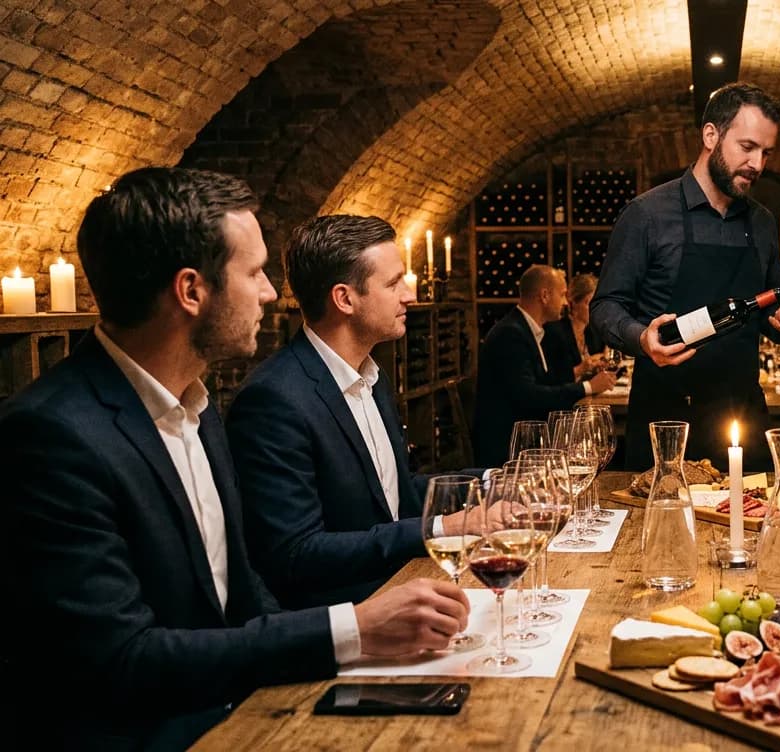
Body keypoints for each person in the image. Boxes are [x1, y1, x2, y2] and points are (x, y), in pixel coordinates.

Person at [0, 167, 469, 750]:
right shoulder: (52, 434)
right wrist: (353, 630)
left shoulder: (198, 408)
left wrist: (350, 668)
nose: (272, 292)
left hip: (246, 711)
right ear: (191, 290)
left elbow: (244, 593)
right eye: (253, 273)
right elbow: (121, 659)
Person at [226, 215, 466, 608]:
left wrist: (491, 483)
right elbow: (295, 554)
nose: (409, 296)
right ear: (345, 299)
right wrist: (438, 529)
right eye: (393, 283)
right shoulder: (273, 401)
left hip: (406, 587)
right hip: (350, 619)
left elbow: (393, 494)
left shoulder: (372, 376)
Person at [590, 81, 780, 469]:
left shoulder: (761, 222)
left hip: (741, 421)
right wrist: (642, 339)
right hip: (666, 422)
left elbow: (768, 314)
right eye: (747, 148)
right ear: (711, 135)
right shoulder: (647, 214)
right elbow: (606, 306)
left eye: (766, 152)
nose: (758, 164)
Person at [475, 265, 614, 465]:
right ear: (545, 295)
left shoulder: (530, 330)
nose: (566, 302)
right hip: (511, 449)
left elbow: (547, 383)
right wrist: (589, 387)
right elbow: (530, 396)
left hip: (529, 438)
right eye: (562, 294)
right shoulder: (510, 334)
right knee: (592, 443)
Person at [545, 271, 608, 385]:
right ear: (573, 303)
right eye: (589, 303)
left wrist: (598, 365)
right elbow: (553, 380)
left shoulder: (591, 332)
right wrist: (582, 368)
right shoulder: (555, 332)